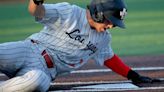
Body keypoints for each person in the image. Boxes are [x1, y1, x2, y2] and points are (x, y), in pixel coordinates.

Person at [0, 0, 160, 91]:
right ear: (99, 13)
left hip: (44, 72)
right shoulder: (69, 12)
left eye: (115, 24)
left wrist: (133, 75)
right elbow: (37, 12)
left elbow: (109, 58)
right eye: (110, 21)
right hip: (28, 50)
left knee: (36, 82)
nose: (111, 26)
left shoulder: (103, 39)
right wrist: (36, 2)